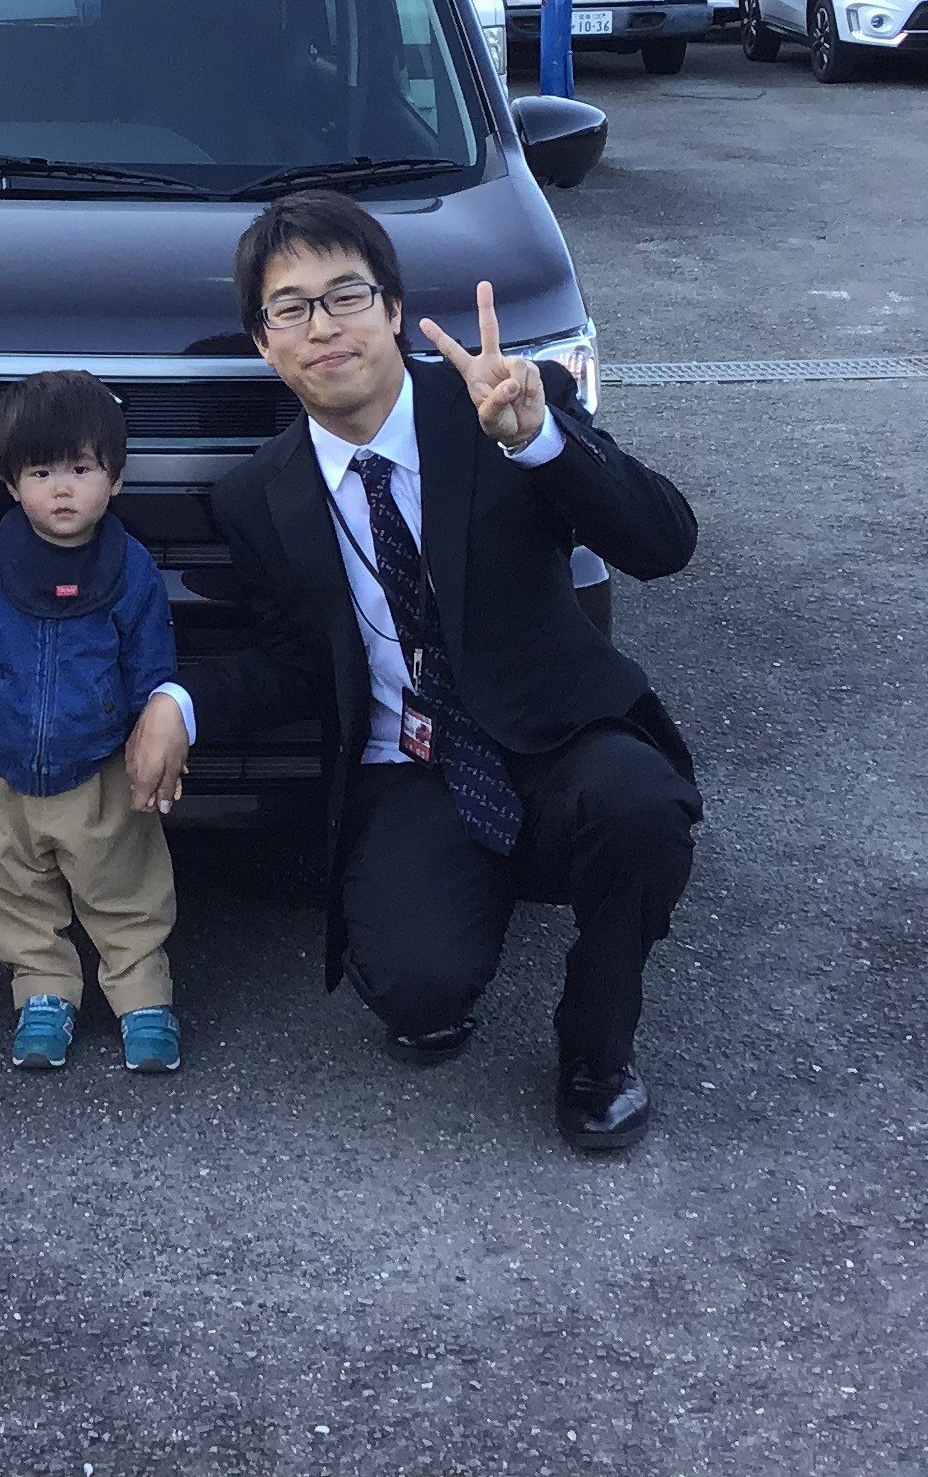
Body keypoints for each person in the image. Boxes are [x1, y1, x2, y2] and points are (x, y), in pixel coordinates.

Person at [123, 191, 703, 1151]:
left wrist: (540, 442)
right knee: (415, 991)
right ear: (263, 342)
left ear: (392, 309)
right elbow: (292, 663)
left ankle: (597, 1050)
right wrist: (178, 703)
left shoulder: (500, 409)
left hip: (557, 732)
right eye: (291, 308)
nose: (323, 327)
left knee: (640, 811)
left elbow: (665, 543)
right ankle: (471, 886)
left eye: (346, 295)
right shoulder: (257, 496)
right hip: (415, 764)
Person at [0, 370, 184, 1075]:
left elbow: (151, 663)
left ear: (116, 479)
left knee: (125, 886)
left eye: (81, 470)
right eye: (40, 473)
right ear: (11, 485)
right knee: (9, 889)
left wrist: (155, 735)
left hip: (100, 769)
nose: (62, 489)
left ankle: (143, 997)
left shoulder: (131, 567)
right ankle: (42, 990)